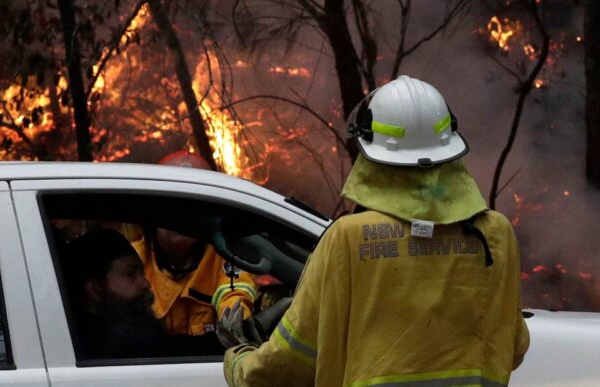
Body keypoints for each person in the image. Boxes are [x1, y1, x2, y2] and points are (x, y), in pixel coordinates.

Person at [222, 75, 529, 387]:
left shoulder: (348, 240)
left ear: (368, 154)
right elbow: (513, 348)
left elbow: (292, 361)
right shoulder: (495, 234)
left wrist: (239, 359)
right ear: (449, 151)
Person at [128, 151, 257, 337]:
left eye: (193, 205)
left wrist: (235, 321)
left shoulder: (224, 256)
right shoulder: (133, 259)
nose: (182, 217)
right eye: (173, 205)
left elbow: (235, 291)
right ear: (155, 209)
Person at [64, 229, 223, 360]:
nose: (145, 284)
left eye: (142, 272)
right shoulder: (103, 347)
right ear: (95, 289)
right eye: (130, 274)